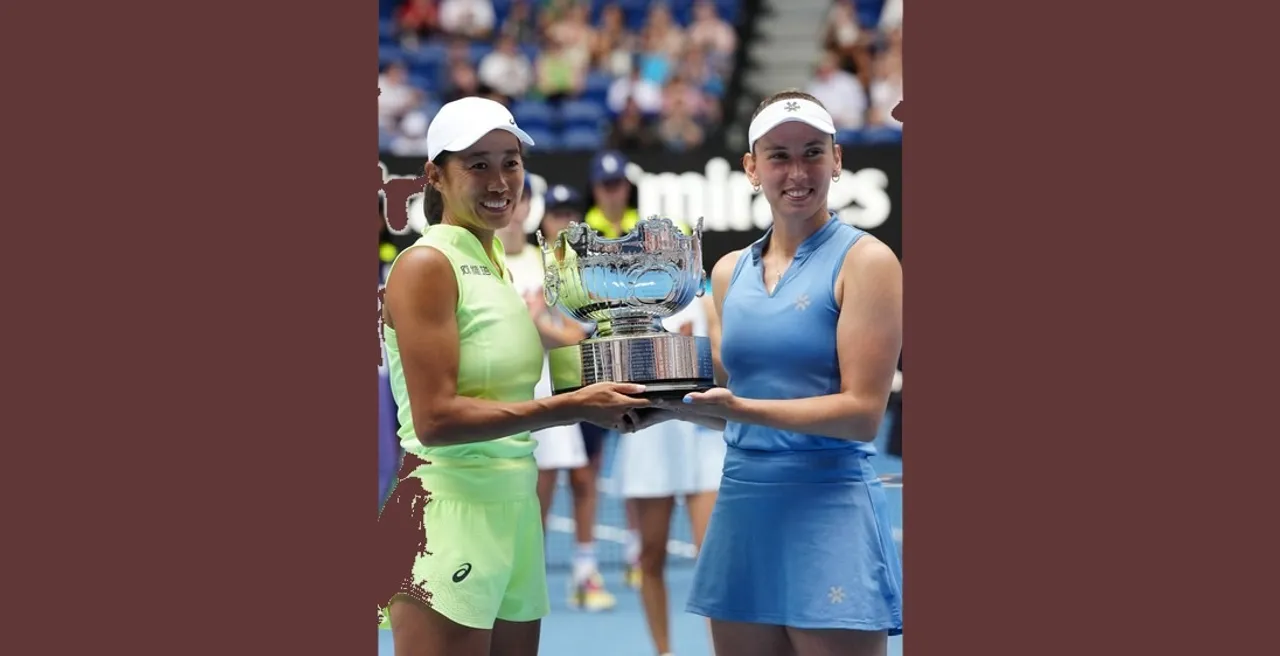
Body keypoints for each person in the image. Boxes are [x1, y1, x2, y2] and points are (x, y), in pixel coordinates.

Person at [627, 90, 904, 655]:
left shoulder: (868, 262)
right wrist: (658, 404)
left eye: (812, 153)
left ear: (837, 159)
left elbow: (861, 415)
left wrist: (737, 409)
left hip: (830, 511)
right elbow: (729, 400)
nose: (797, 172)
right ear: (752, 167)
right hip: (743, 511)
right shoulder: (728, 272)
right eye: (778, 155)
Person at [374, 95, 650, 656]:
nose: (500, 180)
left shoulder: (496, 262)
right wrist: (573, 409)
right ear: (436, 176)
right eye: (478, 164)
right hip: (447, 514)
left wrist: (642, 385)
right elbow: (435, 420)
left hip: (517, 508)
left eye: (510, 161)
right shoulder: (427, 264)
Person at [495, 180, 620, 612]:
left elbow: (575, 335)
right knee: (516, 493)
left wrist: (539, 325)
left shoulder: (547, 265)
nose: (513, 208)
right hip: (497, 395)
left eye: (522, 199)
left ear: (529, 206)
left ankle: (564, 577)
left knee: (548, 487)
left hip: (552, 391)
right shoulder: (485, 262)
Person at [616, 289, 725, 656]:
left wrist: (695, 353)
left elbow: (725, 370)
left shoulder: (706, 301)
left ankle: (721, 649)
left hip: (702, 435)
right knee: (650, 556)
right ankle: (663, 652)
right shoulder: (625, 305)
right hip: (650, 438)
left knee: (712, 558)